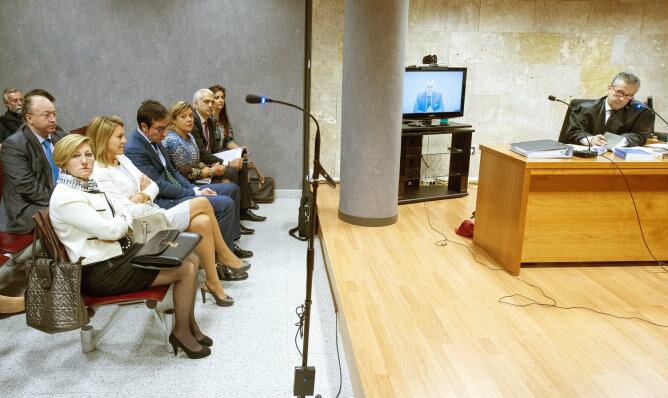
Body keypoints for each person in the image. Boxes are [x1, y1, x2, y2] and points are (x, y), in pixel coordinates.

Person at [49, 134, 210, 358]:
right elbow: (114, 227)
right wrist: (122, 218)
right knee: (184, 269)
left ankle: (190, 325)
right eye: (75, 156)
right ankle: (181, 332)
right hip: (100, 271)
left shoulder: (89, 185)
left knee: (189, 257)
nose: (84, 161)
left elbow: (123, 212)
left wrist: (121, 217)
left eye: (88, 154)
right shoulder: (66, 198)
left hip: (118, 254)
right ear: (62, 162)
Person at [89, 115, 248, 301]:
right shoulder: (99, 173)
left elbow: (153, 185)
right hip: (140, 227)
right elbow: (128, 213)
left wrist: (142, 195)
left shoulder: (122, 158)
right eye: (119, 137)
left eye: (123, 135)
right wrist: (144, 194)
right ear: (103, 138)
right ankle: (224, 255)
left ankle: (212, 282)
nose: (124, 140)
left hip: (153, 212)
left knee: (202, 221)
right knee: (203, 203)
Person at [124, 100, 253, 259]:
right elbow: (159, 186)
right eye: (160, 129)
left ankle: (230, 244)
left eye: (165, 127)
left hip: (180, 188)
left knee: (232, 190)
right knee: (225, 203)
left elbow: (173, 171)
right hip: (164, 200)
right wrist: (193, 192)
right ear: (144, 126)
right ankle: (222, 258)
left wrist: (195, 190)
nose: (165, 133)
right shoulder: (135, 149)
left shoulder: (156, 139)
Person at [162, 101, 255, 236]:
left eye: (190, 116)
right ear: (173, 120)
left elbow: (197, 160)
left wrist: (210, 167)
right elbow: (184, 172)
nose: (189, 119)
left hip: (198, 175)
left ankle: (233, 232)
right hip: (186, 183)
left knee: (232, 178)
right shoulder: (172, 140)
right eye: (183, 117)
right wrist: (210, 171)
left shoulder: (189, 135)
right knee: (229, 174)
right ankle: (224, 221)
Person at [0, 92, 68, 233]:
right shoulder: (13, 145)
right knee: (71, 215)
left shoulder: (59, 136)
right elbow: (28, 186)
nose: (53, 119)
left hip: (60, 196)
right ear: (29, 118)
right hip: (28, 204)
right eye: (47, 115)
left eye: (54, 114)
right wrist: (62, 201)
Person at [209, 85, 265, 219]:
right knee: (235, 168)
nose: (220, 100)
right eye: (216, 98)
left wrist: (239, 150)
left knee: (243, 161)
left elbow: (229, 140)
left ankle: (244, 210)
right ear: (211, 100)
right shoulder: (208, 120)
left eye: (222, 97)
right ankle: (238, 211)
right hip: (213, 156)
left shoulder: (224, 119)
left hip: (224, 153)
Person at [565, 71, 655, 148]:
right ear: (610, 88)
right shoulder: (584, 109)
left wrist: (618, 141)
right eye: (620, 93)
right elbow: (574, 132)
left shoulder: (641, 112)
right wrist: (591, 140)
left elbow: (639, 135)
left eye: (629, 95)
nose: (623, 99)